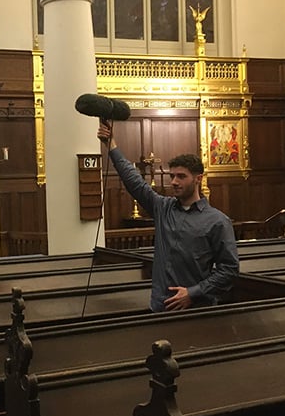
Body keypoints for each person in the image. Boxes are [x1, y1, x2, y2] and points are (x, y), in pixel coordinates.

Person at [98, 122, 239, 312]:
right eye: (172, 176)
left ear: (198, 179)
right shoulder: (163, 208)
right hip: (160, 306)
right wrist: (111, 145)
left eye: (181, 176)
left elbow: (229, 270)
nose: (174, 182)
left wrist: (193, 293)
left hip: (197, 310)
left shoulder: (217, 221)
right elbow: (134, 181)